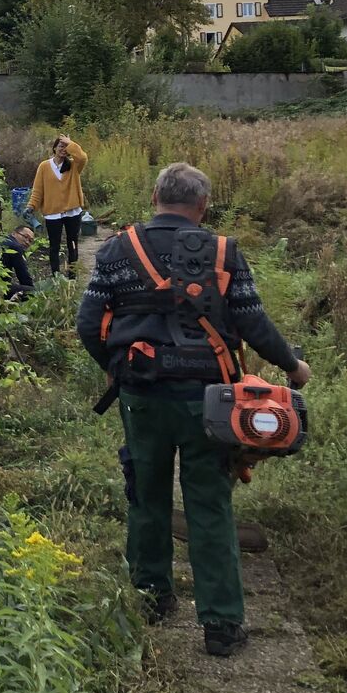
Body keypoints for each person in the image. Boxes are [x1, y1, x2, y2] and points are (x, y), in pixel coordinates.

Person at [76, 162, 310, 658]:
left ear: (156, 196)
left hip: (143, 397)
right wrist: (293, 366)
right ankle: (222, 625)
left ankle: (152, 598)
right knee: (209, 504)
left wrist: (118, 369)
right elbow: (251, 321)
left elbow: (88, 322)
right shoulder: (223, 252)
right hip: (212, 402)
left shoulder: (117, 249)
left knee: (146, 494)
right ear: (201, 207)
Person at [29, 134, 88, 277]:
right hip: (53, 213)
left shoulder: (74, 165)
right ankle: (56, 278)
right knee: (54, 246)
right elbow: (38, 190)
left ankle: (72, 277)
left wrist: (70, 142)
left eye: (66, 147)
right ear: (54, 148)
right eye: (61, 146)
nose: (64, 149)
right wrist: (31, 206)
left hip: (72, 212)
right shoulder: (44, 166)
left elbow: (83, 157)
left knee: (72, 244)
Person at [0, 224, 36, 299]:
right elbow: (23, 276)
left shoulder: (1, 240)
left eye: (30, 241)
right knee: (32, 291)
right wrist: (33, 292)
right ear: (14, 233)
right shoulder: (15, 247)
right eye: (25, 237)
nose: (27, 242)